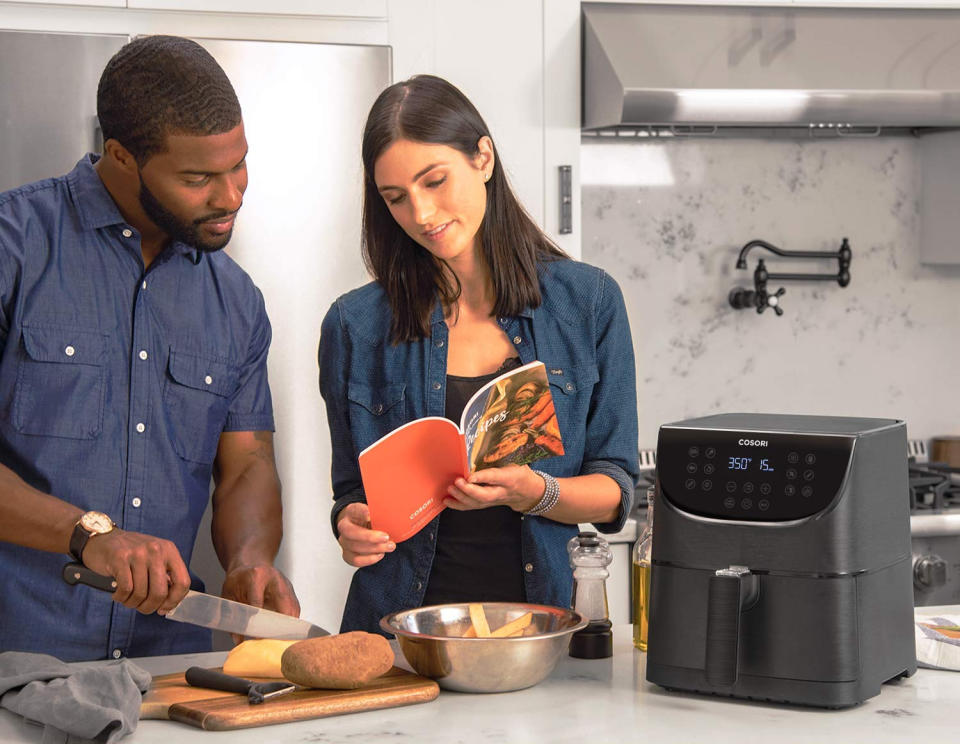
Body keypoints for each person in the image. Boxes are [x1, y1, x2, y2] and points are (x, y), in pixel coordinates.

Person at [0, 35, 299, 661]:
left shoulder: (235, 299)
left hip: (162, 669)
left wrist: (248, 560)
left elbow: (245, 463)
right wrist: (88, 535)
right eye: (198, 178)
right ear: (121, 156)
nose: (231, 196)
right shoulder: (14, 250)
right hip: (15, 660)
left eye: (238, 164)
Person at [319, 75, 639, 634]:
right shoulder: (354, 324)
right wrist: (353, 525)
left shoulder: (587, 303)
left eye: (435, 181)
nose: (421, 213)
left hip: (541, 636)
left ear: (483, 157)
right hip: (395, 637)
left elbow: (614, 489)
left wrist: (536, 493)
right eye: (396, 198)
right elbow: (351, 491)